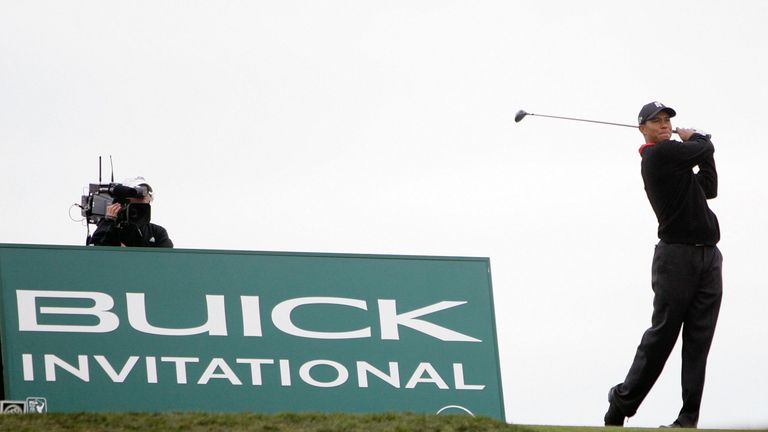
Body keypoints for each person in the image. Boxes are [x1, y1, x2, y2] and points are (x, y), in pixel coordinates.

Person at [604, 102, 722, 428]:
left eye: (668, 119)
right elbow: (703, 146)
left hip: (709, 257)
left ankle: (687, 420)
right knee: (663, 337)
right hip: (675, 259)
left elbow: (708, 187)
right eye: (656, 121)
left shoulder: (676, 162)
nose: (664, 124)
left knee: (699, 342)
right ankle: (621, 402)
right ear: (643, 129)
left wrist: (701, 148)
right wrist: (697, 137)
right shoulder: (656, 156)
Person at [88, 177, 174, 248]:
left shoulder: (156, 232)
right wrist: (108, 220)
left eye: (146, 194)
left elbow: (168, 258)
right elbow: (95, 250)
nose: (142, 197)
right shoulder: (113, 229)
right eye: (138, 195)